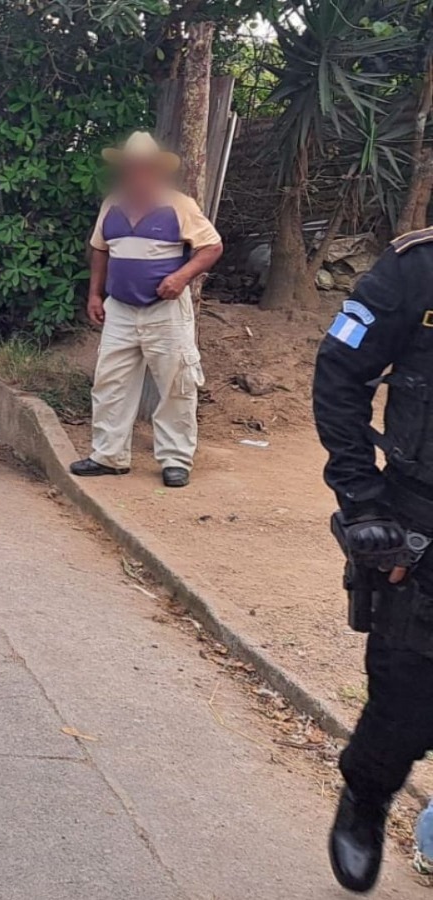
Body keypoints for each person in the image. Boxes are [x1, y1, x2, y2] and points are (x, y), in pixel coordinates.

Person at [315, 224, 433, 893]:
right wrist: (363, 500)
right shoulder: (415, 272)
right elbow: (340, 372)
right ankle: (367, 793)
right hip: (421, 523)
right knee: (406, 702)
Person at [68, 131, 222, 488]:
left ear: (155, 171)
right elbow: (101, 250)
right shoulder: (112, 204)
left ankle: (175, 459)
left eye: (143, 168)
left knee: (175, 384)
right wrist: (95, 295)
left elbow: (211, 247)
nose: (136, 174)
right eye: (130, 168)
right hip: (120, 307)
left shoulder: (179, 205)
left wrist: (181, 277)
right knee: (111, 381)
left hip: (165, 309)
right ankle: (109, 456)